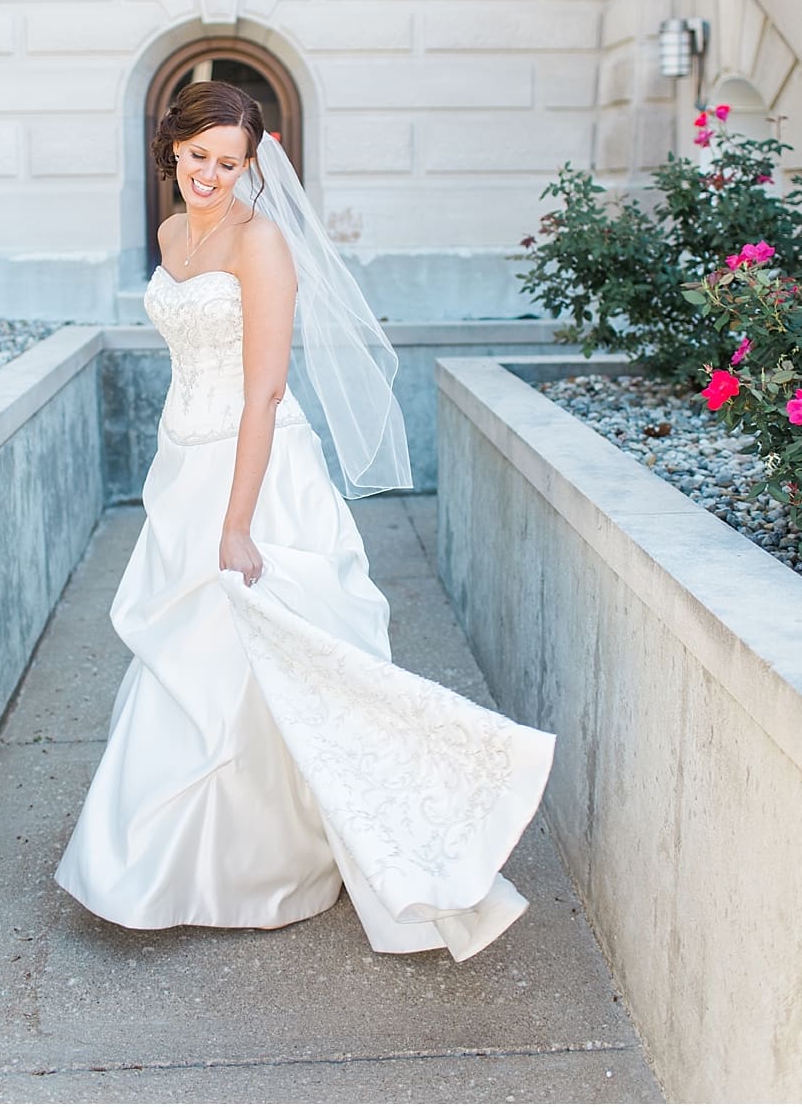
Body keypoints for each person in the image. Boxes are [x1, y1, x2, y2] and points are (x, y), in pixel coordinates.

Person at [55, 80, 554, 961]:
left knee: (265, 656)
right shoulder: (170, 234)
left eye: (230, 162)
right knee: (190, 664)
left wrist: (236, 522)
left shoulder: (262, 242)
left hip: (256, 473)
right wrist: (184, 478)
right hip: (184, 464)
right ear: (172, 148)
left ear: (252, 165)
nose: (210, 175)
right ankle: (169, 866)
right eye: (198, 156)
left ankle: (277, 863)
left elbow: (265, 390)